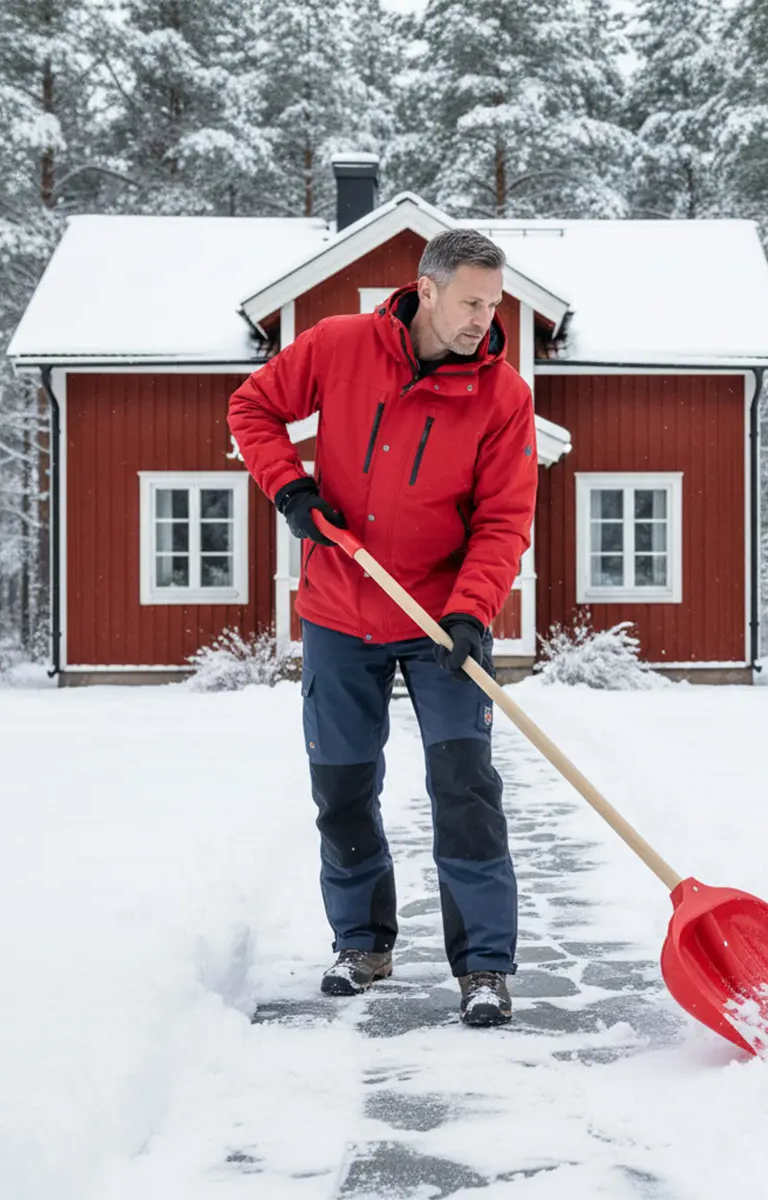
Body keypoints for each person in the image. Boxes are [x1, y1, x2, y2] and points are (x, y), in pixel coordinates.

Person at [227, 229, 536, 1027]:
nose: (484, 318)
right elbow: (253, 406)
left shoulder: (502, 395)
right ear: (426, 289)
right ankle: (362, 944)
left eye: (493, 303)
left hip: (442, 623)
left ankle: (484, 966)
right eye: (471, 301)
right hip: (340, 607)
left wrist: (470, 611)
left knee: (465, 790)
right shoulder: (339, 346)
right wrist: (290, 489)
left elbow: (504, 519)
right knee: (343, 788)